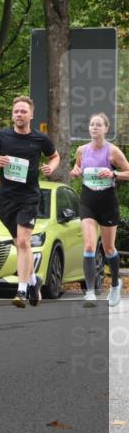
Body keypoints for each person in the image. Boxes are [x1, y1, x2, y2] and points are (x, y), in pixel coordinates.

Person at [0, 96, 60, 308]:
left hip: (30, 197)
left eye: (23, 111)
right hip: (7, 199)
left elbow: (54, 156)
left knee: (24, 242)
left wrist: (51, 167)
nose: (19, 115)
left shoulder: (40, 139)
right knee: (19, 243)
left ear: (31, 115)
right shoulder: (2, 136)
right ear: (12, 114)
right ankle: (34, 282)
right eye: (16, 111)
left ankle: (22, 289)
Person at [69, 112, 128, 307]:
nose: (94, 127)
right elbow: (77, 168)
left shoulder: (113, 152)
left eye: (98, 125)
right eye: (92, 124)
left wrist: (114, 173)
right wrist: (75, 171)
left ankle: (115, 285)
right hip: (88, 201)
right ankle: (91, 292)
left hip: (107, 203)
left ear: (106, 129)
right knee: (89, 246)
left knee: (109, 248)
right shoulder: (81, 150)